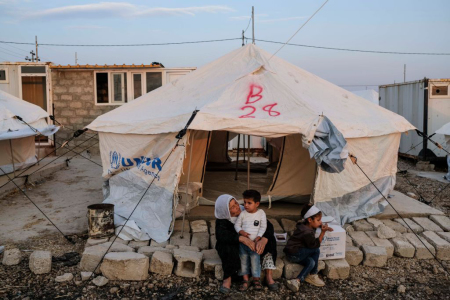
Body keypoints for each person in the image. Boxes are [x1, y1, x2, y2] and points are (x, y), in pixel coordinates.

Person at [214, 194, 278, 294]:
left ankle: (268, 274)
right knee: (225, 245)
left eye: (235, 203)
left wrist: (263, 239)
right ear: (226, 212)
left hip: (255, 244)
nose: (237, 207)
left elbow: (268, 225)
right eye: (232, 207)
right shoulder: (223, 220)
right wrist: (241, 238)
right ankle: (227, 278)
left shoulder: (248, 210)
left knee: (270, 238)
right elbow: (221, 235)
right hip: (238, 247)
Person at [283, 204, 333, 292]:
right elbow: (316, 244)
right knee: (316, 250)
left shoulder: (304, 225)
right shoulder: (307, 233)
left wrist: (321, 226)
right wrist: (322, 233)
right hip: (295, 254)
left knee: (311, 262)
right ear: (310, 220)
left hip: (293, 253)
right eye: (318, 220)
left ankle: (297, 280)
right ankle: (313, 274)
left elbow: (315, 225)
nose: (320, 222)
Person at [234, 190, 267, 291]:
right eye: (244, 202)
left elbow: (263, 226)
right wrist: (241, 232)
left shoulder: (261, 213)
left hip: (255, 245)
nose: (246, 205)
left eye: (249, 203)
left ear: (257, 204)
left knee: (255, 261)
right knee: (243, 261)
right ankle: (245, 280)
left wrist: (259, 236)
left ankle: (256, 279)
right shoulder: (243, 213)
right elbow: (237, 225)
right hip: (243, 245)